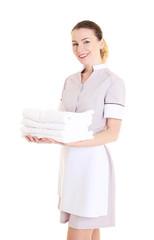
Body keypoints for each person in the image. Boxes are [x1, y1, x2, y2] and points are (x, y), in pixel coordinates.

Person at [25, 20, 126, 240]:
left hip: (93, 167)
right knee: (90, 232)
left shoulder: (113, 82)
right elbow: (60, 121)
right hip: (69, 164)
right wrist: (44, 136)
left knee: (79, 231)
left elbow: (112, 133)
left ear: (101, 43)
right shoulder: (70, 81)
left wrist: (71, 142)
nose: (80, 49)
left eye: (86, 41)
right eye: (74, 43)